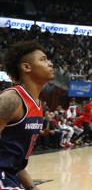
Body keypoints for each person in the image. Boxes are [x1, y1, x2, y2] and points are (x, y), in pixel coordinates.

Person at [0, 41, 55, 190]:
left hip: (10, 177)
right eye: (43, 59)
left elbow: (15, 163)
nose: (50, 63)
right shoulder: (12, 99)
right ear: (26, 67)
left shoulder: (38, 105)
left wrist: (31, 187)